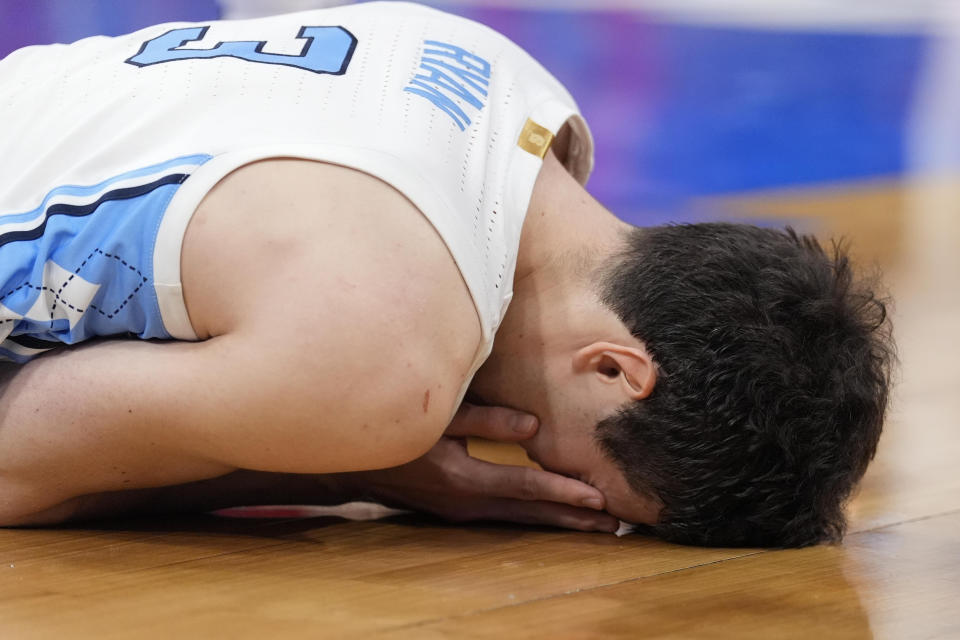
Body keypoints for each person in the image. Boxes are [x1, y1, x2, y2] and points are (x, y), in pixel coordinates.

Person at [0, 2, 892, 547]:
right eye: (603, 500)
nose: (556, 483)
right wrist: (350, 470)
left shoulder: (525, 100)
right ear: (616, 370)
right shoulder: (384, 368)